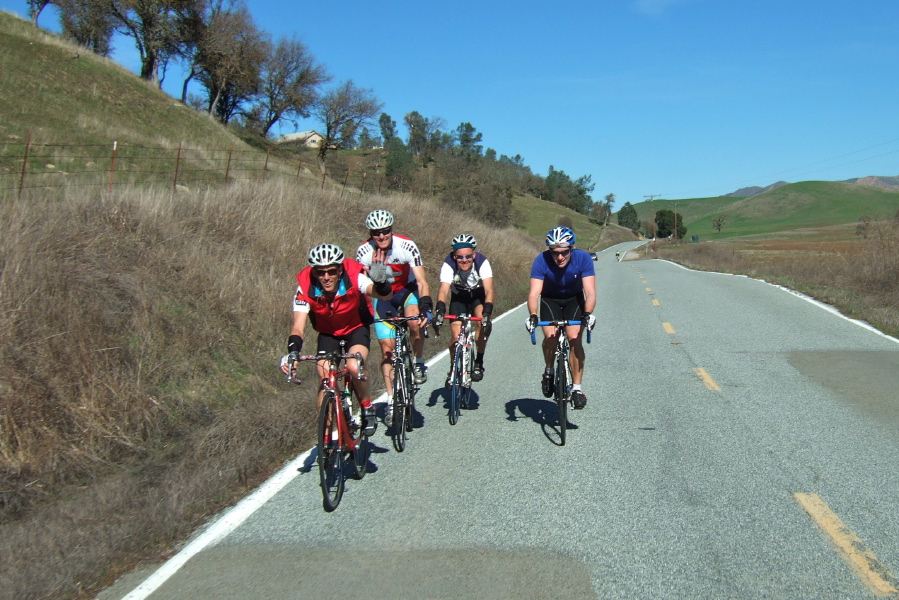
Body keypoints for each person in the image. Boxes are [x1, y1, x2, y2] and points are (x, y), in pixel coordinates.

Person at [280, 243, 393, 436]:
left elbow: (383, 295)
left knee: (354, 367)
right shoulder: (305, 288)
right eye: (320, 272)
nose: (326, 277)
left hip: (355, 328)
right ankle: (326, 438)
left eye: (331, 271)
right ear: (314, 272)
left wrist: (381, 280)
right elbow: (298, 327)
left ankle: (367, 406)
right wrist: (293, 353)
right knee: (325, 378)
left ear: (340, 269)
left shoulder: (353, 277)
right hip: (328, 333)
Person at [355, 209, 433, 427]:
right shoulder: (363, 252)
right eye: (376, 233)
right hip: (383, 298)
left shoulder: (406, 246)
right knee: (386, 349)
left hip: (406, 292)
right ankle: (391, 400)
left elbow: (422, 281)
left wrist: (426, 303)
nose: (381, 236)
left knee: (414, 321)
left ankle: (417, 362)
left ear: (392, 230)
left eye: (385, 231)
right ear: (371, 234)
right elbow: (360, 287)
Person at [525, 226, 596, 409]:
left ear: (571, 249)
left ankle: (577, 389)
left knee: (574, 339)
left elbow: (590, 292)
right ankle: (549, 371)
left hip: (574, 300)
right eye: (555, 253)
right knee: (551, 338)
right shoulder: (541, 261)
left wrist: (587, 315)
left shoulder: (583, 259)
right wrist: (533, 315)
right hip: (550, 300)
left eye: (564, 252)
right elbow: (534, 294)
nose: (560, 257)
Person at [433, 233, 495, 382]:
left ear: (473, 254)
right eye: (460, 257)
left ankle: (478, 361)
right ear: (455, 256)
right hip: (459, 297)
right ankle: (453, 368)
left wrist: (487, 313)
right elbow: (443, 289)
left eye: (468, 256)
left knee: (482, 322)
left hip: (477, 296)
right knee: (455, 337)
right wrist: (440, 309)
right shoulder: (449, 263)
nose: (464, 260)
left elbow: (489, 290)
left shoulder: (482, 262)